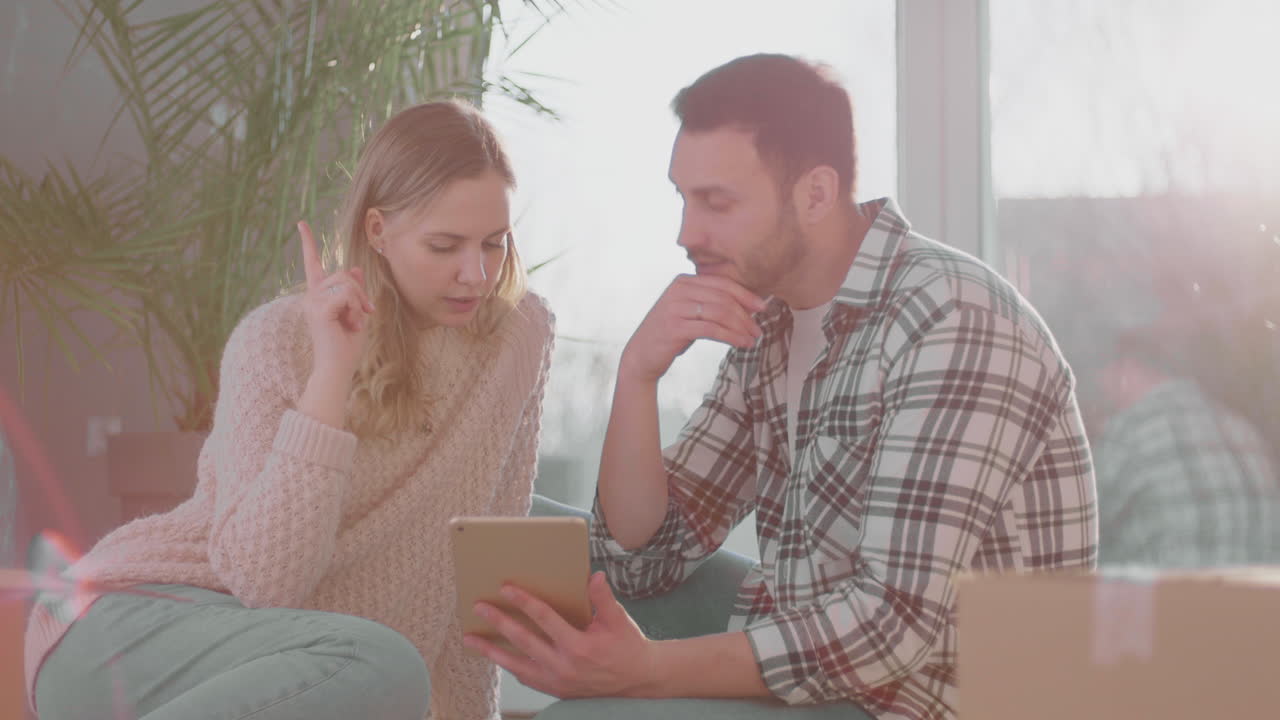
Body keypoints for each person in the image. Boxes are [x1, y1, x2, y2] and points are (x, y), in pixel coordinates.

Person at [464, 54, 1096, 720]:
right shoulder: (769, 319)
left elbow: (888, 625)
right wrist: (638, 374)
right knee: (517, 528)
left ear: (816, 195)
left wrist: (645, 673)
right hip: (827, 670)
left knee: (587, 718)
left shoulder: (951, 320)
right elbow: (644, 561)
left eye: (717, 202)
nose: (686, 234)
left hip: (932, 699)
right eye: (683, 198)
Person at [24, 99, 555, 720]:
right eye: (445, 245)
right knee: (383, 666)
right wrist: (332, 371)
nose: (477, 274)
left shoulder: (519, 335)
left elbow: (479, 565)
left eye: (495, 243)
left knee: (385, 672)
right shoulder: (276, 341)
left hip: (317, 665)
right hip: (130, 625)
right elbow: (264, 582)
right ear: (379, 232)